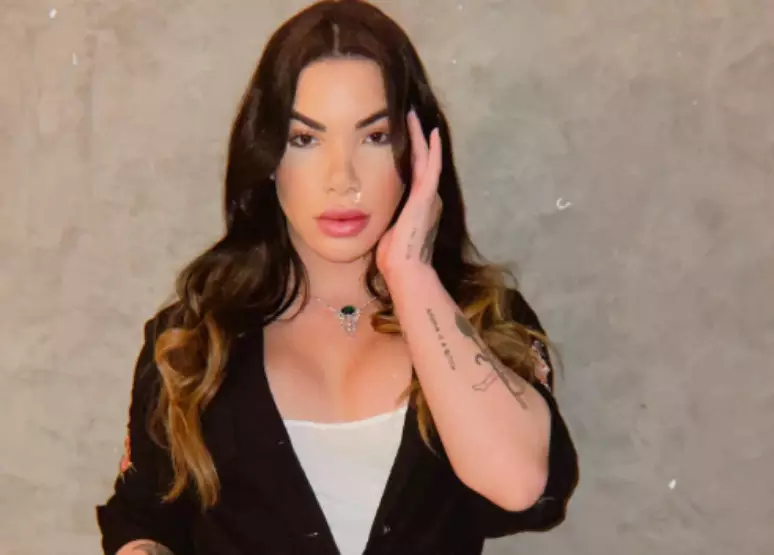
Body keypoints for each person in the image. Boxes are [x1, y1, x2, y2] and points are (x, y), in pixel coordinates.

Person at [95, 1, 579, 553]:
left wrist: (411, 273)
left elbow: (521, 487)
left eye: (375, 137)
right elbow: (144, 519)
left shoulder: (479, 319)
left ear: (418, 152)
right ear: (267, 156)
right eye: (305, 139)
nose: (342, 178)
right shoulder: (192, 342)